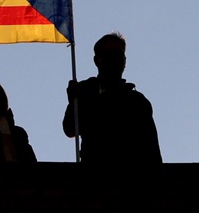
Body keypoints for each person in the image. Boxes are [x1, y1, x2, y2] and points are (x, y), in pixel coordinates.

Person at [62, 32, 162, 164]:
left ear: (124, 61)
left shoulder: (137, 100)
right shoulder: (86, 91)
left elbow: (152, 149)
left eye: (119, 54)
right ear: (97, 60)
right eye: (108, 54)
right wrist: (73, 102)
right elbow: (70, 129)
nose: (114, 59)